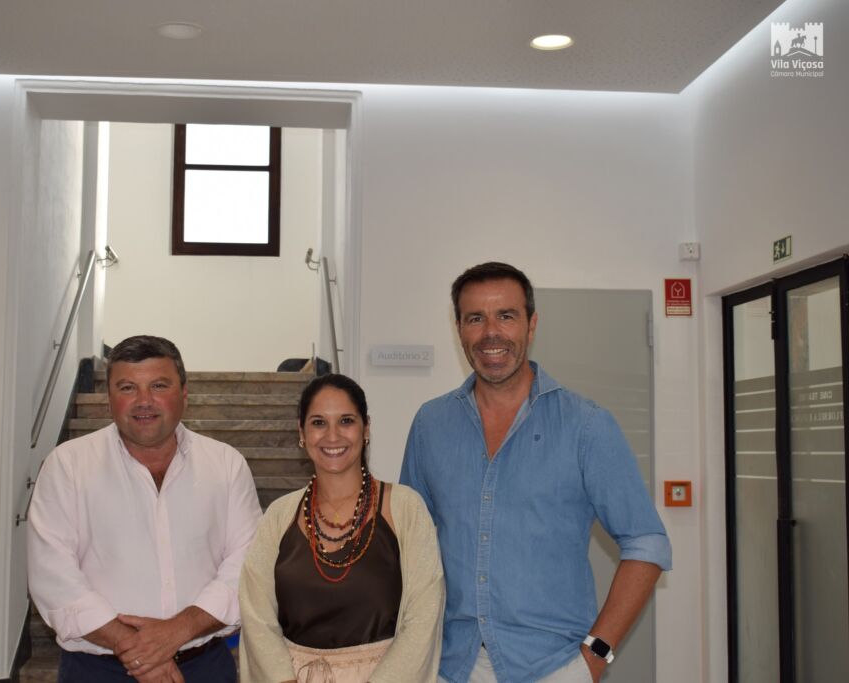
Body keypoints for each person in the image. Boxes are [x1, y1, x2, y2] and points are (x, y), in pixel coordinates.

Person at [400, 262, 672, 683]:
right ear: (459, 329)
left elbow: (647, 543)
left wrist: (594, 658)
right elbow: (408, 543)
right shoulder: (430, 425)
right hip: (451, 666)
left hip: (554, 667)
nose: (491, 332)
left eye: (506, 316)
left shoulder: (586, 426)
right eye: (476, 318)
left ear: (532, 324)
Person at [27, 335, 262, 682]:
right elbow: (53, 576)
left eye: (159, 386)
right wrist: (139, 650)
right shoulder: (67, 465)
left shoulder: (226, 464)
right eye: (127, 388)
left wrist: (177, 631)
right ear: (109, 399)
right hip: (96, 671)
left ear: (184, 393)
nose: (144, 401)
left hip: (203, 667)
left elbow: (247, 564)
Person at [240, 374, 445, 683]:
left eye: (346, 421)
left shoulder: (405, 509)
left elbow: (424, 616)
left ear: (366, 429)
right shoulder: (280, 516)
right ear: (301, 432)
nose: (332, 435)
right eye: (318, 423)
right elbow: (257, 614)